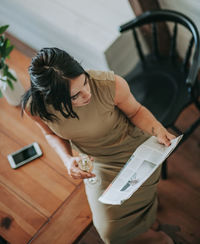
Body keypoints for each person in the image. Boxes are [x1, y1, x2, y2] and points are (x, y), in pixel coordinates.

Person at [21, 47, 175, 244]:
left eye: (85, 81)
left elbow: (136, 111)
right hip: (96, 162)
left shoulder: (111, 85)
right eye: (74, 96)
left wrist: (157, 129)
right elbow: (49, 133)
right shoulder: (34, 108)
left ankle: (149, 227)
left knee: (136, 197)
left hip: (133, 148)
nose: (86, 94)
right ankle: (145, 225)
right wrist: (68, 160)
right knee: (108, 231)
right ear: (51, 99)